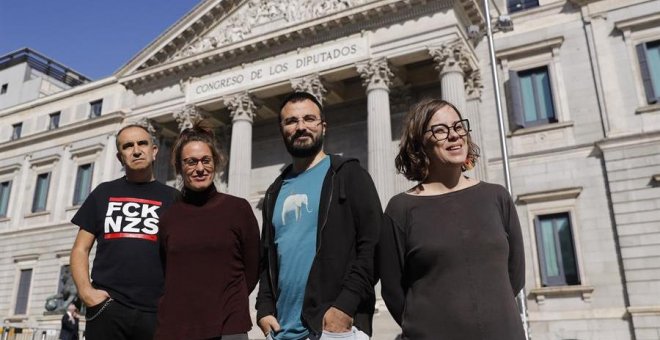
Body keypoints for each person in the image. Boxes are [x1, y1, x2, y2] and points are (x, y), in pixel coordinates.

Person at [377, 98, 526, 340]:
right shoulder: (400, 208)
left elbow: (515, 274)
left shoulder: (496, 196)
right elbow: (393, 291)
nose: (454, 135)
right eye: (440, 130)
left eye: (458, 127)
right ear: (419, 143)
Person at [256, 91, 382, 340]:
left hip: (335, 328)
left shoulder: (349, 175)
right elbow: (267, 257)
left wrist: (345, 306)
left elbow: (374, 245)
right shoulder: (274, 192)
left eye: (309, 119)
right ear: (282, 129)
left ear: (323, 126)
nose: (301, 127)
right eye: (291, 121)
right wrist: (264, 308)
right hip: (282, 331)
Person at [70, 124, 178, 340]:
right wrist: (85, 292)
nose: (136, 150)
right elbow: (80, 249)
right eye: (128, 146)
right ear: (120, 158)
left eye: (142, 144)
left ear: (154, 151)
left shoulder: (174, 198)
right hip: (107, 308)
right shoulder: (103, 193)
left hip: (156, 312)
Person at [154, 121, 260, 340]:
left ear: (216, 162)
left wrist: (227, 300)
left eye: (206, 160)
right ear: (179, 167)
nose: (200, 168)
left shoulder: (238, 208)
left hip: (228, 326)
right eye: (191, 162)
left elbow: (253, 266)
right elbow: (166, 273)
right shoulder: (168, 218)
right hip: (176, 329)